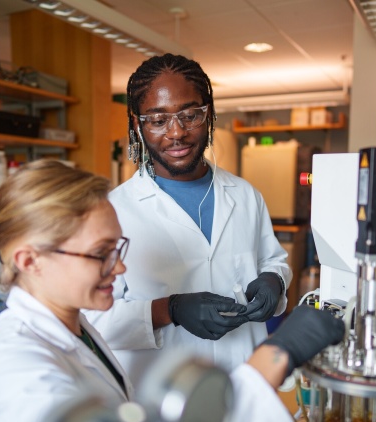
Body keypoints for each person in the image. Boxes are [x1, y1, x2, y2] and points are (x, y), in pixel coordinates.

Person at [0, 160, 345, 422]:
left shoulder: (73, 330)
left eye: (118, 248)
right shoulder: (13, 369)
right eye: (101, 253)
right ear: (30, 260)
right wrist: (275, 356)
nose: (120, 268)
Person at [84, 53, 291, 383]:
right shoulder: (112, 211)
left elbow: (273, 259)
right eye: (157, 120)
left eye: (190, 115)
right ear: (137, 125)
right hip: (161, 397)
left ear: (209, 116)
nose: (176, 132)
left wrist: (274, 281)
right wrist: (168, 310)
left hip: (245, 381)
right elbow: (91, 322)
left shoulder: (245, 194)